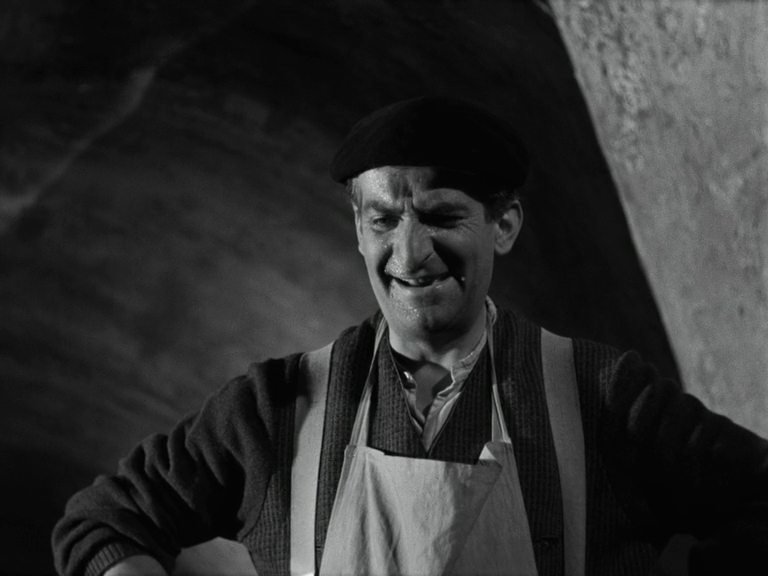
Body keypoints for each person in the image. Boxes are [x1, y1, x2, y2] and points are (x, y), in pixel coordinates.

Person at [52, 96, 768, 576]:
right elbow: (103, 523)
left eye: (441, 217)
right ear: (358, 231)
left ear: (504, 224)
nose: (410, 253)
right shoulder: (275, 411)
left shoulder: (601, 398)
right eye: (384, 220)